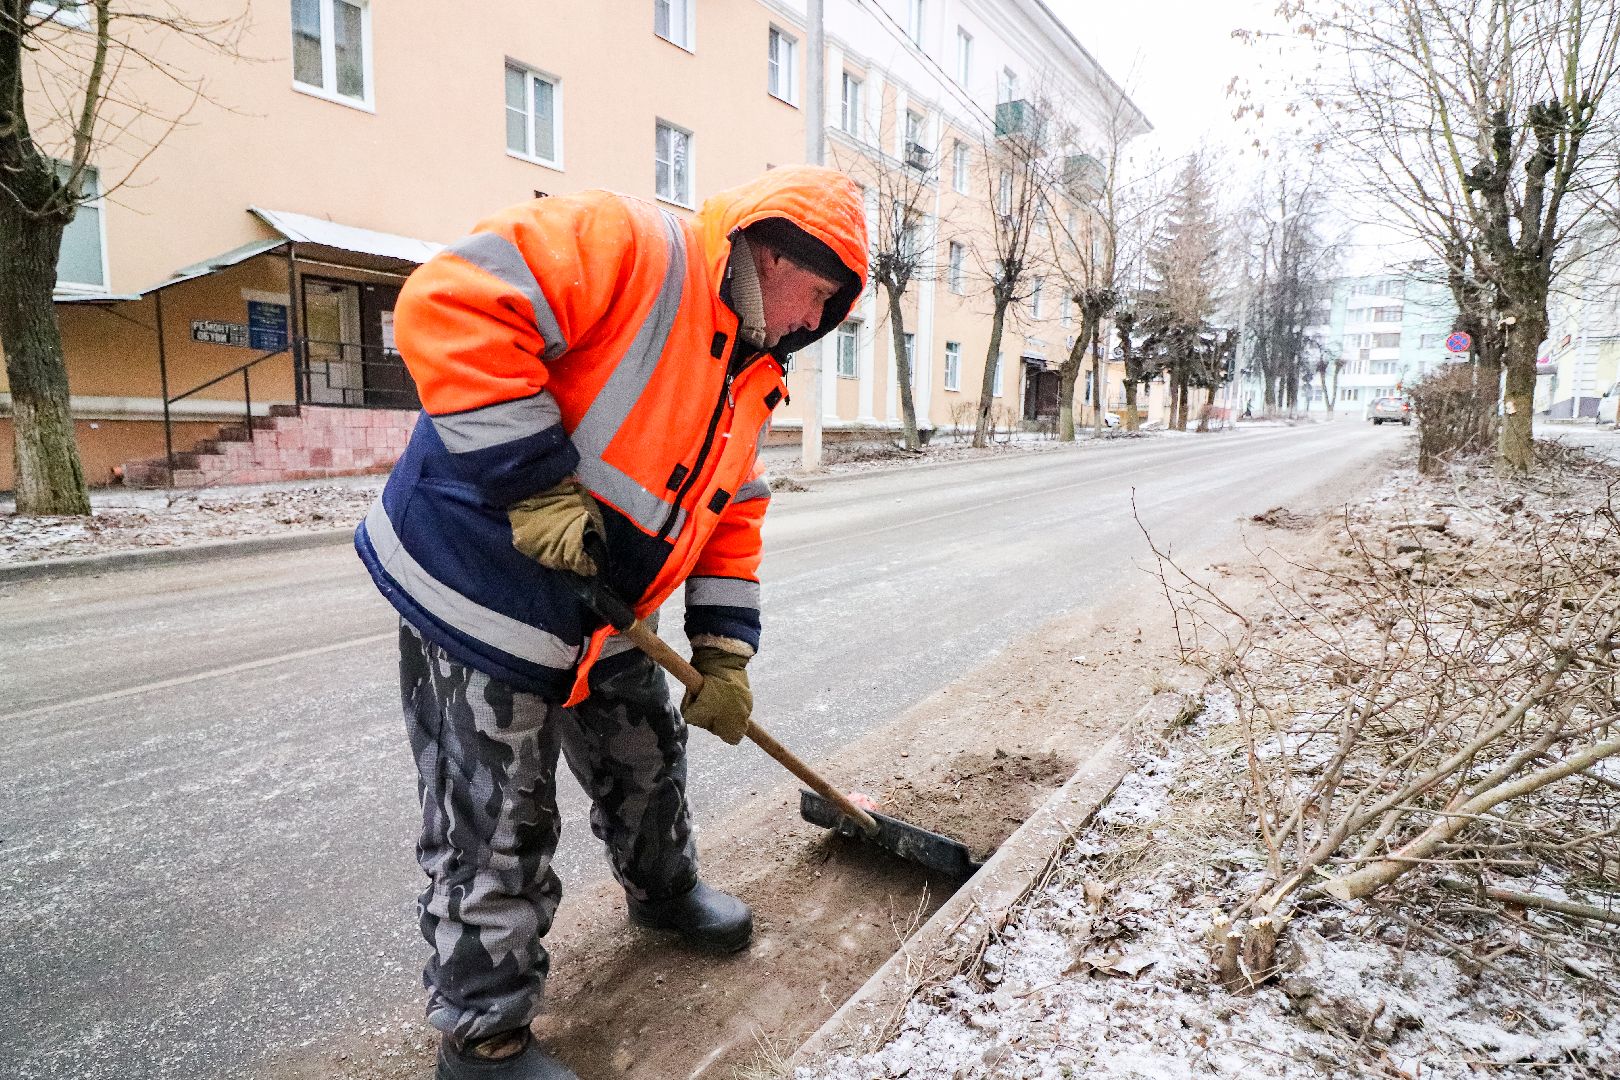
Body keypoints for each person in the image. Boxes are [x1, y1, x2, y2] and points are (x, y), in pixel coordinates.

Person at [354, 166, 867, 1080]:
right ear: (774, 249)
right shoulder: (630, 244)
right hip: (483, 584)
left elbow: (733, 509)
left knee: (646, 756)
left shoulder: (755, 369)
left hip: (606, 611)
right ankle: (484, 1036)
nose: (810, 323)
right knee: (496, 816)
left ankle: (665, 895)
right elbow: (453, 303)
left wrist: (723, 653)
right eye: (817, 296)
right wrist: (533, 481)